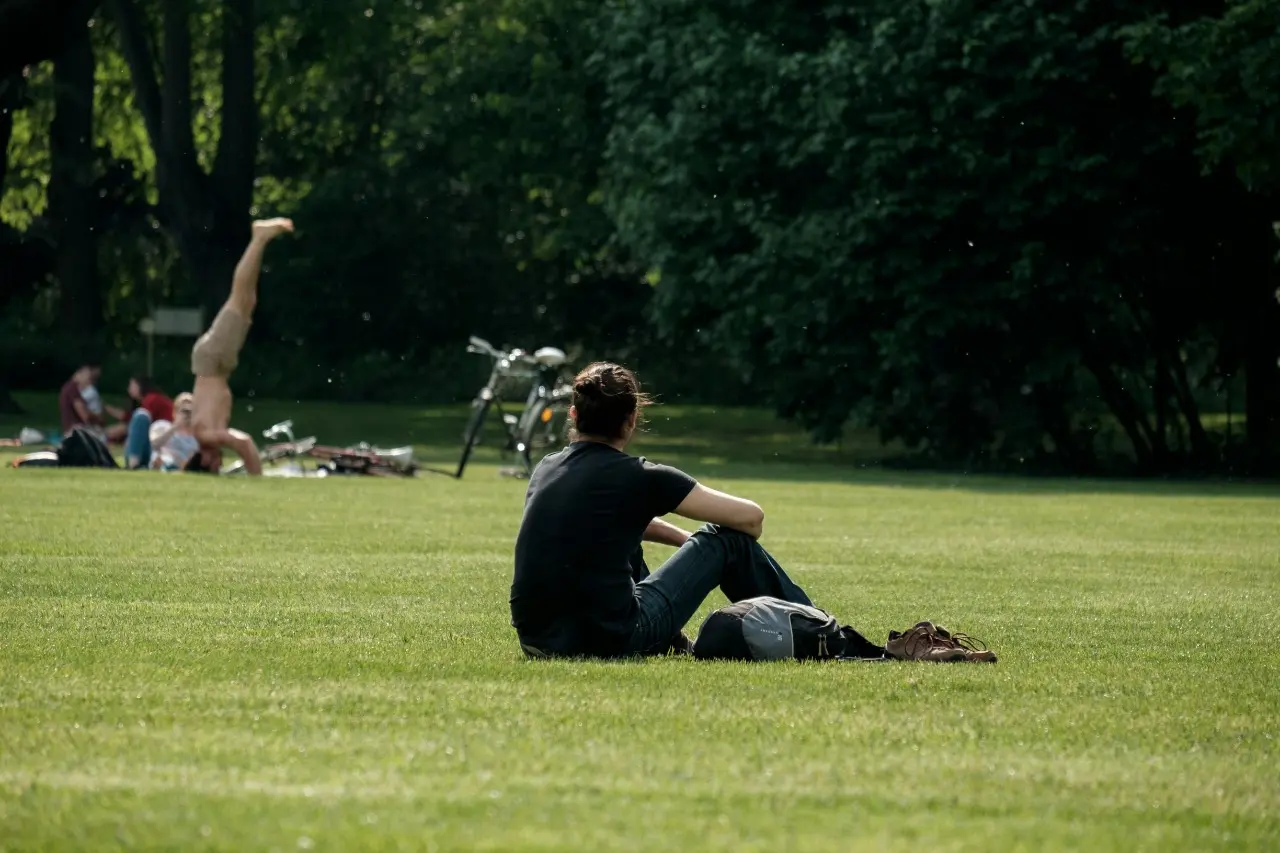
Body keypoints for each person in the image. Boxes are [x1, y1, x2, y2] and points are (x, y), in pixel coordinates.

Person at [510, 362, 817, 659]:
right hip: (606, 639)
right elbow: (751, 518)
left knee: (625, 548)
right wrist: (706, 548)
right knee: (726, 540)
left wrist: (687, 543)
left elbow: (604, 523)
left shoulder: (546, 467)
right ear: (631, 420)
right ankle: (819, 631)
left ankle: (672, 643)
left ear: (574, 415)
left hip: (536, 639)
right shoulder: (640, 476)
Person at [188, 217, 294, 475]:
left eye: (215, 466)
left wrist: (256, 478)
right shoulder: (206, 436)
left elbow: (243, 442)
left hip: (212, 360)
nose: (220, 464)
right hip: (217, 362)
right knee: (247, 301)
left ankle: (259, 237)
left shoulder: (205, 436)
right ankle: (259, 241)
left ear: (203, 460)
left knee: (239, 301)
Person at [148, 392, 201, 471]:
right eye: (185, 411)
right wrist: (175, 427)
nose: (188, 415)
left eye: (191, 412)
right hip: (163, 462)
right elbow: (154, 444)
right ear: (174, 412)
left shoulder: (198, 437)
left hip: (184, 467)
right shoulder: (162, 426)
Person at [58, 364, 100, 435]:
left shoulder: (69, 388)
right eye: (88, 378)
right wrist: (97, 417)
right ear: (79, 374)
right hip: (77, 430)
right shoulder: (72, 390)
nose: (89, 382)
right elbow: (84, 415)